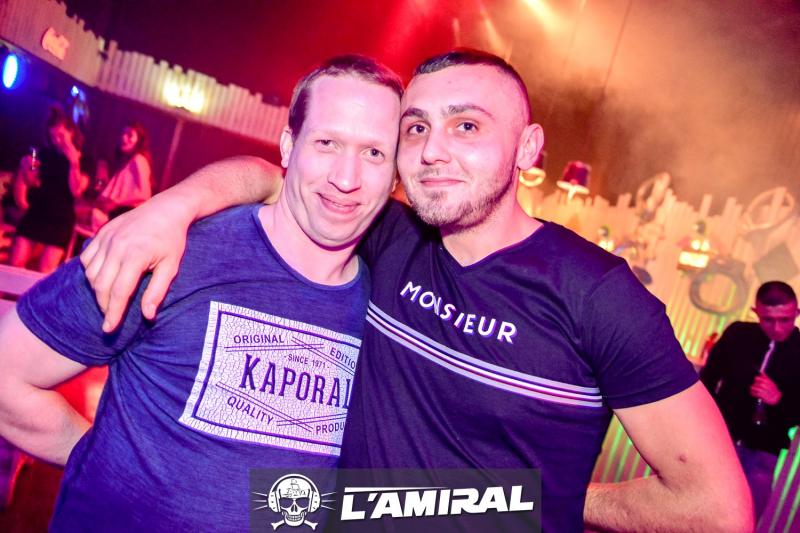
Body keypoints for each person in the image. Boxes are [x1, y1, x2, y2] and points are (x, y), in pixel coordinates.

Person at [79, 49, 752, 532]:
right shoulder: (388, 235)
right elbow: (274, 175)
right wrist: (171, 206)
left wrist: (547, 498)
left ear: (527, 148)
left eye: (467, 126)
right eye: (417, 127)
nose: (432, 150)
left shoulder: (597, 295)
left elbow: (718, 508)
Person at [0, 55, 402, 531]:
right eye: (327, 142)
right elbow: (7, 376)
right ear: (288, 146)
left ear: (396, 174)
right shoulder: (177, 249)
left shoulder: (387, 307)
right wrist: (106, 459)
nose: (346, 178)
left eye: (374, 153)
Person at [700, 281, 800, 519]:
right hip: (718, 444)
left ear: (797, 312)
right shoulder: (738, 335)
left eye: (785, 319)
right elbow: (706, 382)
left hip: (763, 452)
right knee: (700, 514)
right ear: (756, 312)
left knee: (745, 519)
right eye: (768, 319)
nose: (777, 328)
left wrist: (778, 400)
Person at [10, 107, 93, 272]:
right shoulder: (44, 153)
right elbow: (32, 181)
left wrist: (74, 163)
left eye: (61, 136)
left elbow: (76, 191)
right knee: (16, 263)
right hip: (37, 211)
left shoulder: (84, 159)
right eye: (53, 136)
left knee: (45, 270)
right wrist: (26, 168)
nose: (57, 141)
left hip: (59, 219)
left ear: (71, 133)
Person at [76, 122, 153, 236]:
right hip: (116, 214)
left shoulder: (139, 160)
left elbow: (145, 195)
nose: (124, 137)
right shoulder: (126, 162)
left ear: (139, 140)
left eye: (129, 135)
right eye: (123, 133)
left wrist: (115, 203)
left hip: (123, 216)